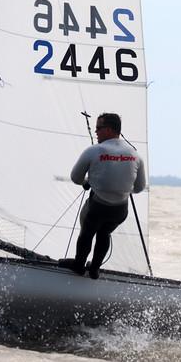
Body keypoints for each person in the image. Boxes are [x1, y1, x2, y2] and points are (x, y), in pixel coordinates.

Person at [67, 113, 146, 279]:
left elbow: (76, 178)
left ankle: (79, 266)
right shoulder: (136, 155)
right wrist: (120, 189)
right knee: (104, 234)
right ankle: (94, 269)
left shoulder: (93, 151)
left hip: (97, 207)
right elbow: (138, 188)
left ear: (109, 130)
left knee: (87, 233)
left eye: (99, 128)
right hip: (120, 211)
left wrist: (89, 182)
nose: (96, 132)